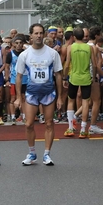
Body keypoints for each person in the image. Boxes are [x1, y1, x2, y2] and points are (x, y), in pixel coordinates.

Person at [14, 23, 63, 166]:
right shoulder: (25, 55)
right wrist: (18, 97)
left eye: (41, 33)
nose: (39, 36)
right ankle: (32, 153)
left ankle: (47, 154)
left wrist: (60, 97)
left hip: (48, 93)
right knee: (29, 124)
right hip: (31, 93)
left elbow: (58, 75)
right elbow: (18, 76)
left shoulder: (52, 53)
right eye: (36, 33)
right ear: (31, 36)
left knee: (49, 123)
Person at [63, 27, 97, 138]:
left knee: (71, 101)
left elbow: (67, 64)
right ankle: (83, 130)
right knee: (85, 103)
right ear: (83, 36)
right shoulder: (89, 48)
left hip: (74, 77)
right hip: (86, 77)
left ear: (73, 36)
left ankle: (70, 128)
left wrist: (64, 77)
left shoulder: (70, 48)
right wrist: (94, 76)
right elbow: (94, 64)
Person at [5, 34, 28, 124]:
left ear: (23, 44)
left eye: (20, 43)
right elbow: (7, 67)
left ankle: (23, 116)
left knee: (23, 98)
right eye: (17, 43)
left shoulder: (25, 53)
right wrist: (7, 79)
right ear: (13, 44)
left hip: (25, 78)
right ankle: (13, 116)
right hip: (14, 79)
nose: (18, 45)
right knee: (13, 98)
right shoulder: (10, 54)